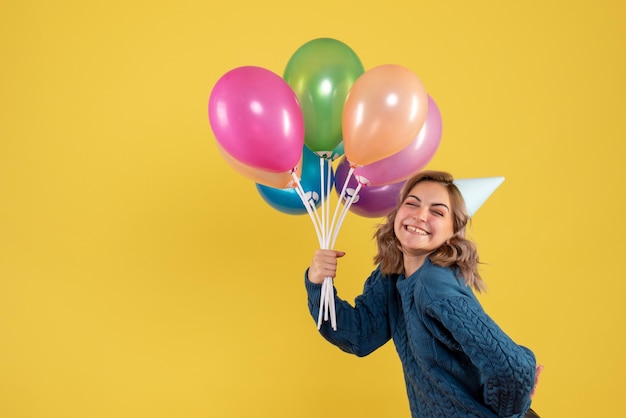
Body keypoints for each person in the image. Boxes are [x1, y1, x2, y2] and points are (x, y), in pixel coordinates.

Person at [305, 170, 542, 418]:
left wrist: (512, 404)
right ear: (397, 213)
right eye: (412, 204)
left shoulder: (434, 284)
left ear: (453, 231)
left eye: (437, 212)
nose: (420, 215)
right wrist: (319, 283)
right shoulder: (392, 275)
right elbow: (358, 335)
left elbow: (511, 369)